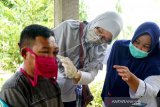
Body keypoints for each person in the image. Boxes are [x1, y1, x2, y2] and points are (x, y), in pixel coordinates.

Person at [52, 11, 123, 107]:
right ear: (96, 22)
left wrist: (76, 74)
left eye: (104, 39)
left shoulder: (101, 49)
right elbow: (42, 49)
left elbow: (91, 76)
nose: (99, 38)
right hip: (48, 90)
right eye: (99, 31)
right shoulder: (68, 28)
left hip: (69, 96)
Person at [0, 24, 63, 107]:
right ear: (25, 53)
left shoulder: (52, 83)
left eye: (55, 52)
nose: (52, 58)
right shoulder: (13, 89)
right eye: (45, 52)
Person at [101, 22, 160, 107]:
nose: (138, 48)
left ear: (153, 46)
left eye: (146, 46)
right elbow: (100, 57)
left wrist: (132, 79)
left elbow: (151, 92)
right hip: (110, 101)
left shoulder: (155, 64)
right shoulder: (119, 47)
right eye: (136, 42)